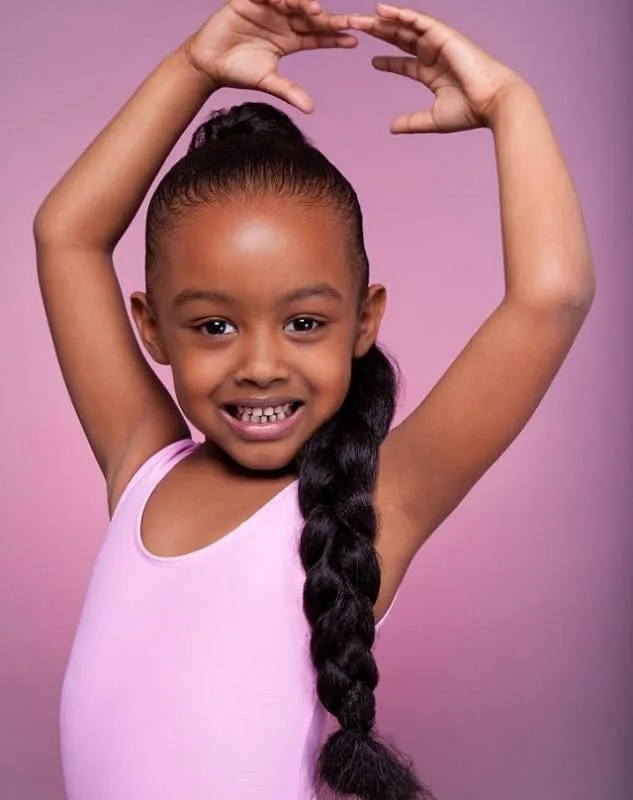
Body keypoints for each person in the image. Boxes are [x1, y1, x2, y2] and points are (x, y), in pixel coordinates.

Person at [33, 1, 595, 798]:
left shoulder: (380, 505)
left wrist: (511, 105)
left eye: (303, 322)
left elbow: (550, 298)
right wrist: (194, 68)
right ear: (151, 330)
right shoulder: (143, 467)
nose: (260, 364)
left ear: (362, 321)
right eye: (214, 324)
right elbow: (66, 236)